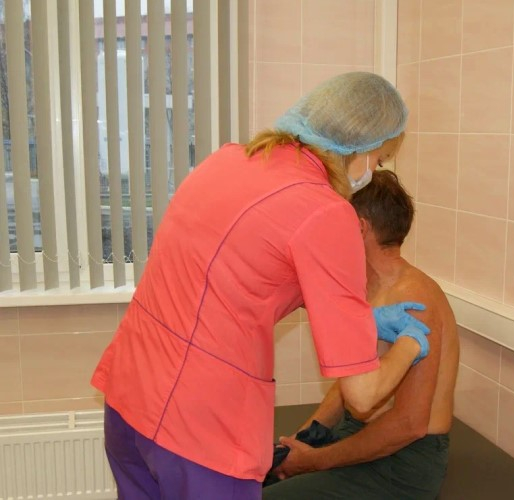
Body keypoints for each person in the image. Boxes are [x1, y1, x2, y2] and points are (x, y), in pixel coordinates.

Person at [90, 72, 433, 499]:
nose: (374, 171)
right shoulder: (325, 211)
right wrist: (409, 345)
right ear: (359, 149)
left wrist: (366, 320)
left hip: (132, 400)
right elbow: (362, 396)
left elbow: (242, 275)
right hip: (200, 433)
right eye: (379, 159)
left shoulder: (228, 161)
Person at [263, 170, 460, 500]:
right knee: (252, 479)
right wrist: (306, 437)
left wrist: (313, 461)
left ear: (359, 226)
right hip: (358, 436)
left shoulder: (414, 300)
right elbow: (355, 377)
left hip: (402, 462)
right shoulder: (363, 288)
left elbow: (409, 425)